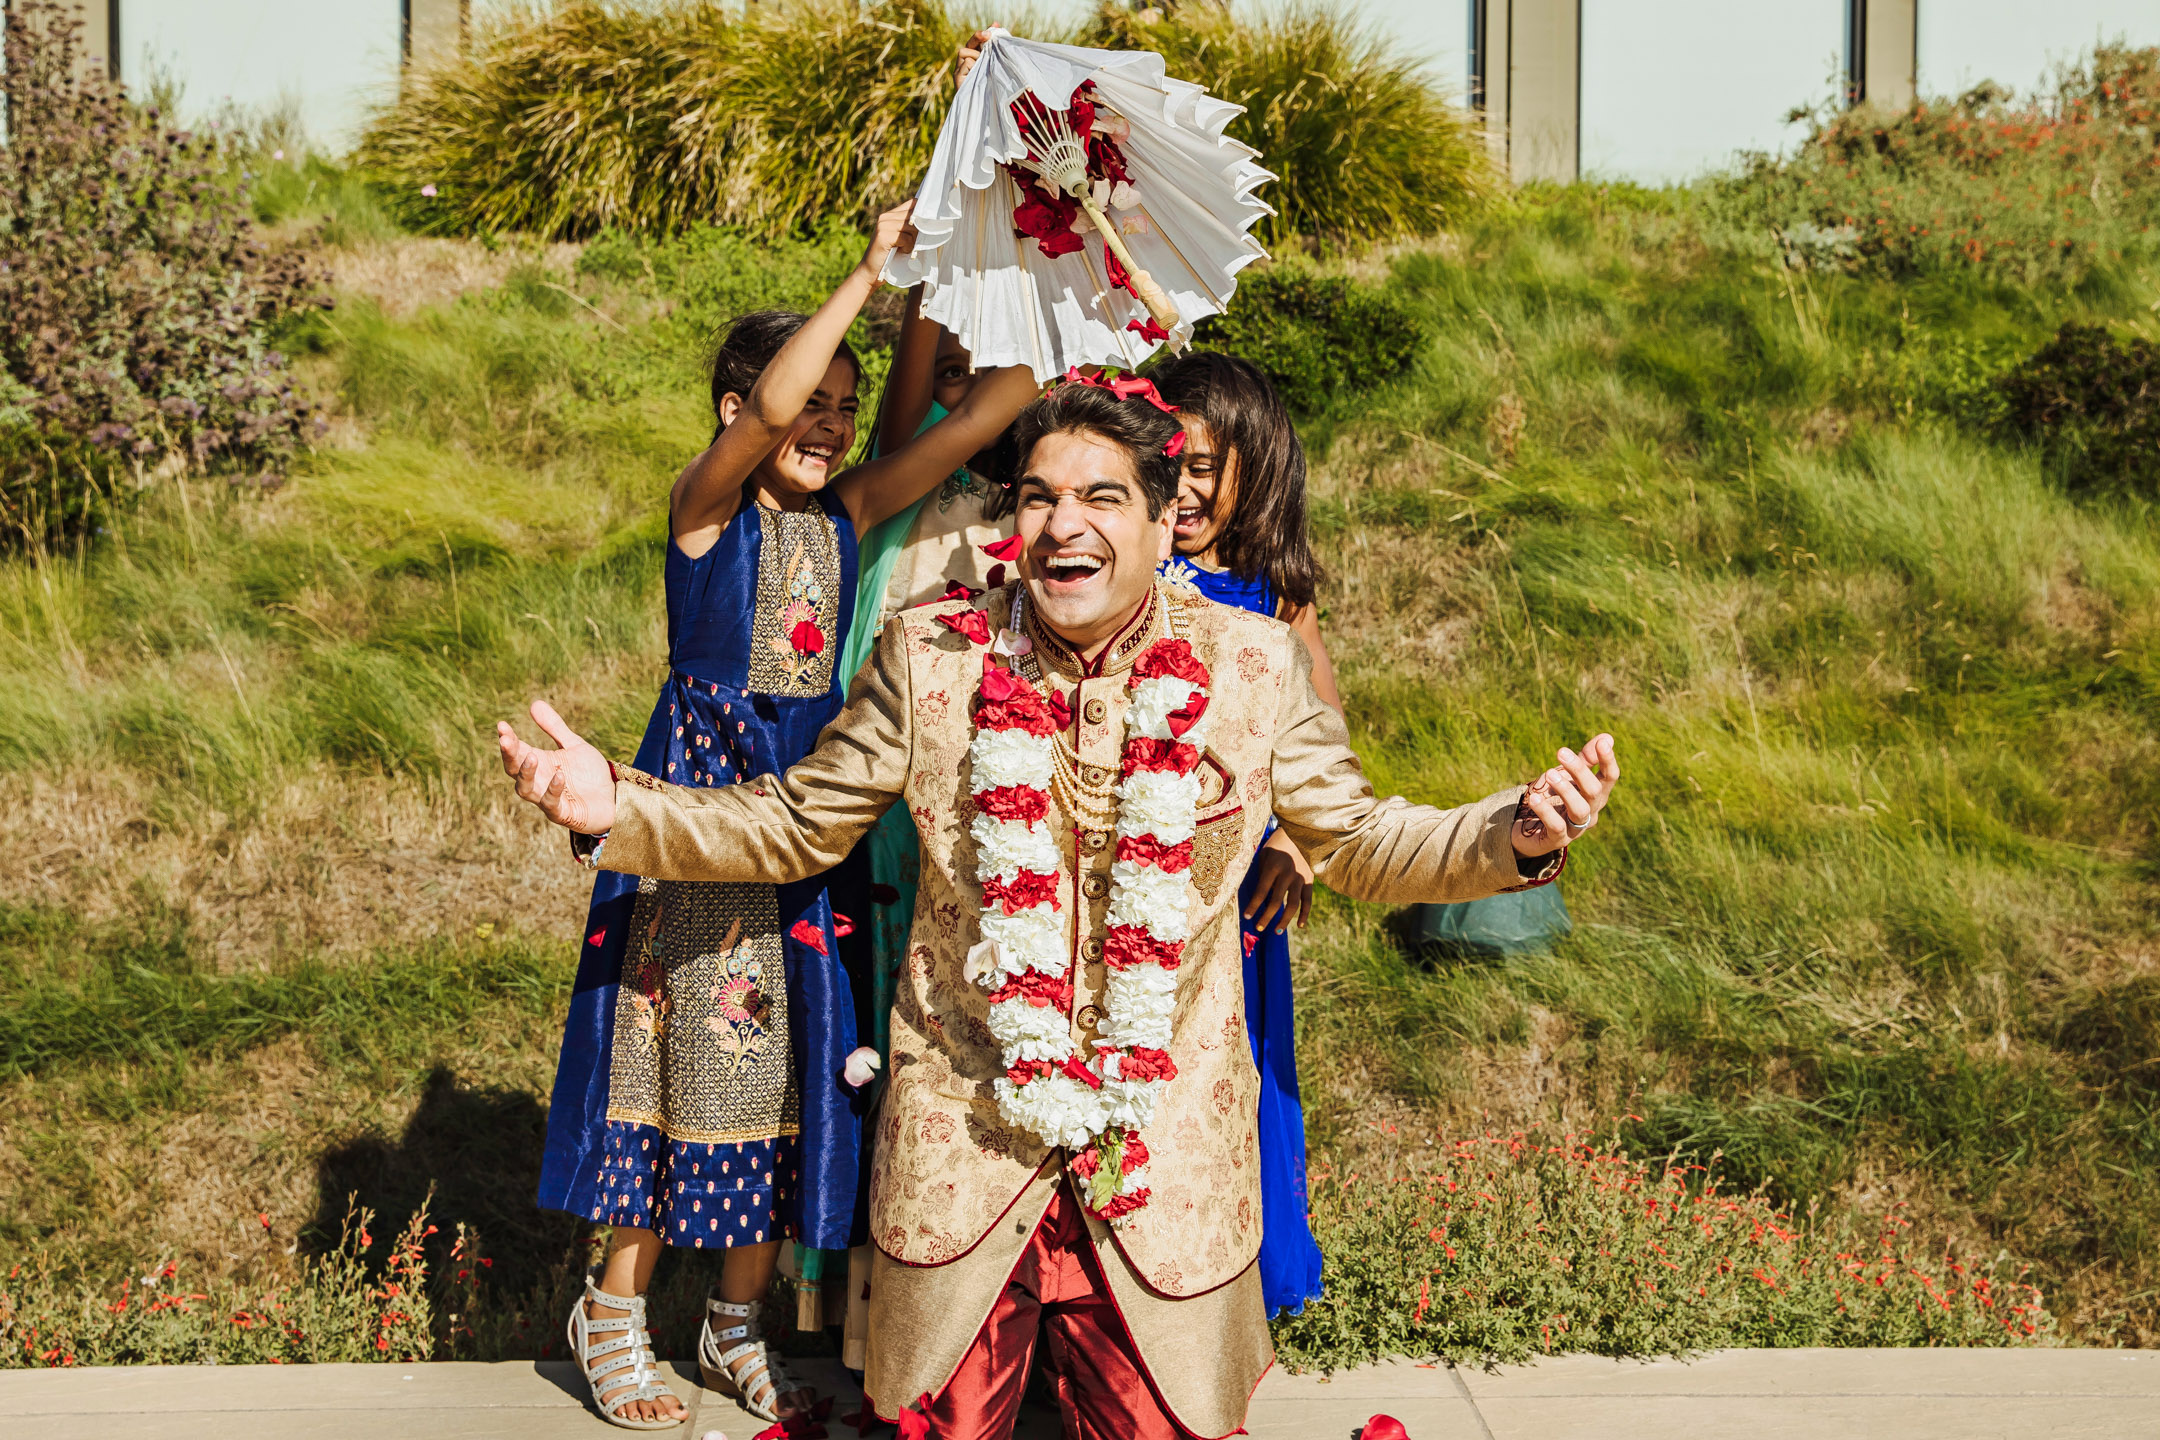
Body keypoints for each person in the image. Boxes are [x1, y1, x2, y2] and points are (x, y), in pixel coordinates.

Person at [499, 374, 1619, 1440]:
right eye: (1038, 495)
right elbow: (796, 822)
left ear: (1163, 518)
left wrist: (1514, 833)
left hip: (1164, 1161)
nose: (1059, 524)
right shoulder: (931, 655)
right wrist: (623, 808)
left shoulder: (1253, 665)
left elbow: (1365, 843)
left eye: (1097, 497)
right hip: (964, 1145)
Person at [536, 202, 1036, 1430]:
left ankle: (733, 1324)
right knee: (681, 1060)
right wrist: (871, 270)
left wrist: (1031, 233)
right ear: (735, 411)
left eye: (844, 411)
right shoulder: (706, 513)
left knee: (788, 1069)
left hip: (804, 821)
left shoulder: (846, 516)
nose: (827, 425)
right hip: (701, 812)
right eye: (813, 403)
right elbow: (768, 412)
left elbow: (989, 409)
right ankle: (613, 1311)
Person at [1151, 351, 1329, 1319]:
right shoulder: (1122, 562)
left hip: (1232, 906)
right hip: (1128, 883)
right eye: (1167, 458)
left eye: (1206, 465)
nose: (1182, 485)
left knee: (1231, 1085)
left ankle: (1224, 1298)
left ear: (1253, 468)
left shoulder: (1273, 591)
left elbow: (1321, 738)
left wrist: (1296, 843)